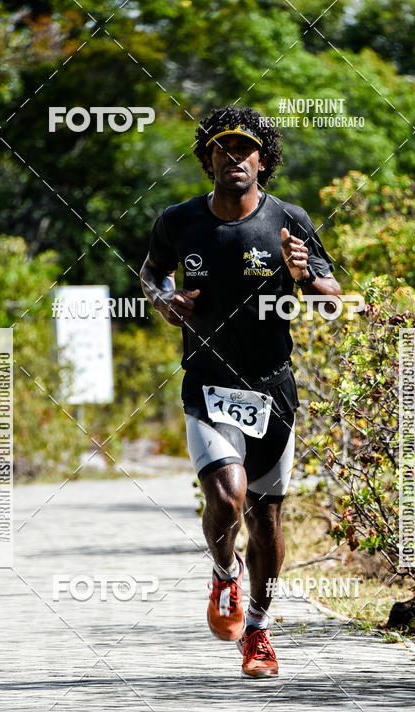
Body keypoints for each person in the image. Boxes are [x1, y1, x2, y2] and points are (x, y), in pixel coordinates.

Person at [140, 105, 340, 678]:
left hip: (272, 387)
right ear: (207, 159)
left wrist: (304, 276)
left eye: (245, 149)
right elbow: (151, 272)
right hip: (208, 383)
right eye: (222, 149)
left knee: (267, 517)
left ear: (263, 160)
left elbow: (330, 296)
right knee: (226, 496)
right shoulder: (179, 221)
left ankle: (257, 628)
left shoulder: (289, 220)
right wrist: (164, 299)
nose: (234, 158)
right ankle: (224, 577)